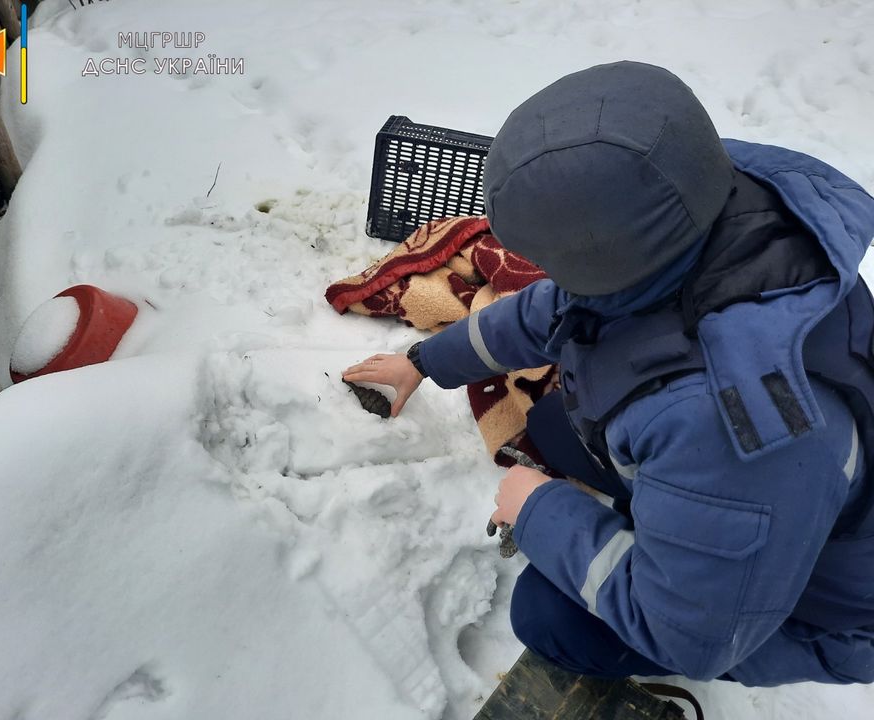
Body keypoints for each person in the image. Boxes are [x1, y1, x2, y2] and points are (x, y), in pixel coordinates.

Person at [343, 61, 874, 686]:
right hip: (758, 491)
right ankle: (682, 526)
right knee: (552, 422)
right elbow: (554, 310)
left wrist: (538, 508)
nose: (537, 269)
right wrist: (424, 362)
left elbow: (692, 638)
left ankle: (676, 541)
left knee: (549, 616)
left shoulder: (740, 427)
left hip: (809, 614)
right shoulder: (708, 216)